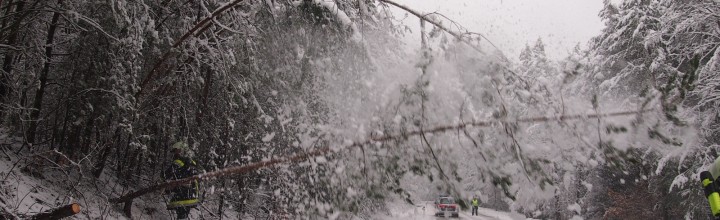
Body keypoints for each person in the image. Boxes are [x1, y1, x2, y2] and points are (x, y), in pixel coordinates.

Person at [163, 141, 200, 220]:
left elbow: (167, 175)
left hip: (182, 195)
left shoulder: (179, 161)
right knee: (183, 216)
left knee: (181, 216)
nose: (174, 153)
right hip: (191, 195)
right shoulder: (191, 163)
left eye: (175, 151)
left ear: (180, 150)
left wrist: (162, 179)